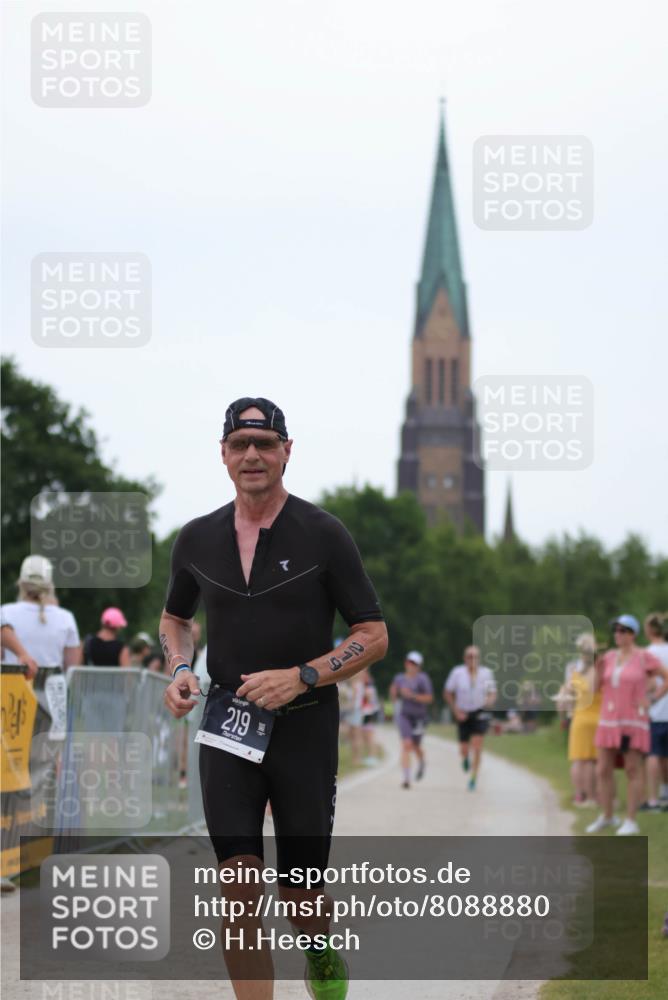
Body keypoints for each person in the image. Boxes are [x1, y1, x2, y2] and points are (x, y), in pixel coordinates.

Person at [160, 396, 387, 1000]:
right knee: (237, 887)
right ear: (224, 455)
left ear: (287, 451)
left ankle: (318, 944)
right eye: (240, 445)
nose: (252, 456)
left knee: (301, 894)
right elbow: (175, 618)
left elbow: (373, 635)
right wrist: (181, 667)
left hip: (304, 729)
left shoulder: (323, 533)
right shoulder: (196, 538)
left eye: (265, 444)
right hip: (228, 726)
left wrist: (304, 676)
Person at [587, 614, 668, 836]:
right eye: (616, 630)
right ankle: (607, 815)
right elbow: (594, 689)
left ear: (632, 634)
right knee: (603, 768)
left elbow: (665, 678)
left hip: (633, 721)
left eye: (623, 630)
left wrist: (651, 699)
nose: (618, 634)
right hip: (609, 720)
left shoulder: (644, 657)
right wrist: (596, 667)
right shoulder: (609, 657)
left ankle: (631, 820)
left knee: (633, 769)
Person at [0, 555, 81, 673]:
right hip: (52, 689)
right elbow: (71, 668)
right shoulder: (66, 617)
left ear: (21, 583)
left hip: (13, 689)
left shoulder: (5, 612)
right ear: (50, 585)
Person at [444, 646, 497, 791]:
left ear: (479, 659)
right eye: (469, 656)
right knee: (463, 748)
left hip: (479, 713)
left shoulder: (486, 674)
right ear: (465, 658)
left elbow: (492, 692)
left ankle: (473, 776)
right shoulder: (457, 673)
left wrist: (489, 701)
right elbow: (448, 692)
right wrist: (455, 710)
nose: (472, 660)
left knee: (477, 746)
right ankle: (465, 757)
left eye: (475, 657)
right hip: (462, 712)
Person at [564, 633, 601, 807]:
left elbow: (566, 697)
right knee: (594, 760)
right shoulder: (599, 669)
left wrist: (567, 714)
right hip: (598, 718)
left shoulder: (573, 671)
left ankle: (580, 795)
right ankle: (593, 797)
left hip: (579, 718)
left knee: (579, 760)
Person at [389, 651, 434, 788]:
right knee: (406, 744)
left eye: (414, 663)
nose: (411, 665)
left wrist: (413, 696)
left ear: (419, 666)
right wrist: (394, 694)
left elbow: (429, 698)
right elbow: (394, 693)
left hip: (419, 717)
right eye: (409, 662)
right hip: (405, 715)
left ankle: (421, 762)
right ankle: (406, 778)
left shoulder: (423, 679)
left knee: (416, 746)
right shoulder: (399, 678)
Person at [642, 612, 668, 811]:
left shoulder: (647, 654)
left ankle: (652, 799)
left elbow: (648, 683)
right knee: (665, 755)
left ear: (649, 630)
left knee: (653, 754)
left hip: (656, 711)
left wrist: (651, 697)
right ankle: (665, 794)